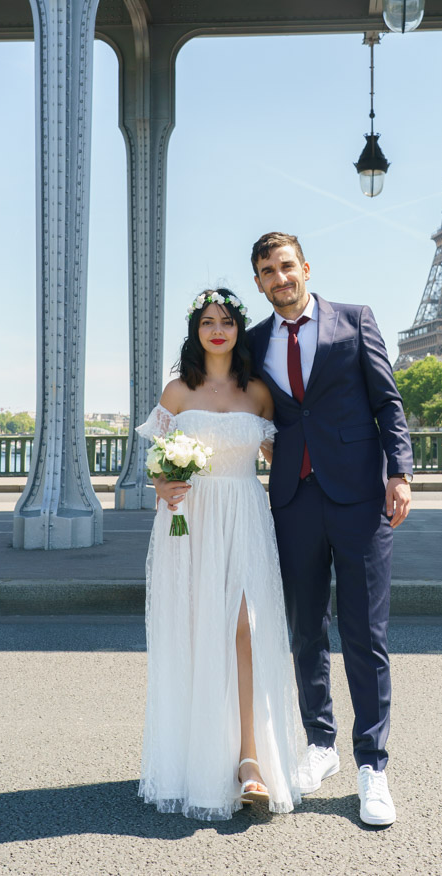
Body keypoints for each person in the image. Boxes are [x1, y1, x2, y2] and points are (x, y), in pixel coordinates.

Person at [247, 232, 413, 827]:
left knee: (364, 634)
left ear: (305, 268)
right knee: (303, 630)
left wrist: (401, 474)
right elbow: (227, 404)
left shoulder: (355, 320)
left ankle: (373, 765)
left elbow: (388, 405)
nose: (279, 277)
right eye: (267, 271)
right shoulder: (252, 343)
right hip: (292, 500)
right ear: (260, 283)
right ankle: (321, 746)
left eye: (286, 266)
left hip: (361, 497)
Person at [136, 288, 303, 820]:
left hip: (243, 517)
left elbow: (283, 456)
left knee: (245, 629)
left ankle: (250, 758)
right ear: (196, 331)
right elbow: (153, 458)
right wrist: (162, 485)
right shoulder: (177, 392)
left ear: (238, 330)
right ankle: (199, 757)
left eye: (227, 321)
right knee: (197, 634)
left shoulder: (258, 394)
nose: (217, 330)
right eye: (207, 321)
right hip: (188, 524)